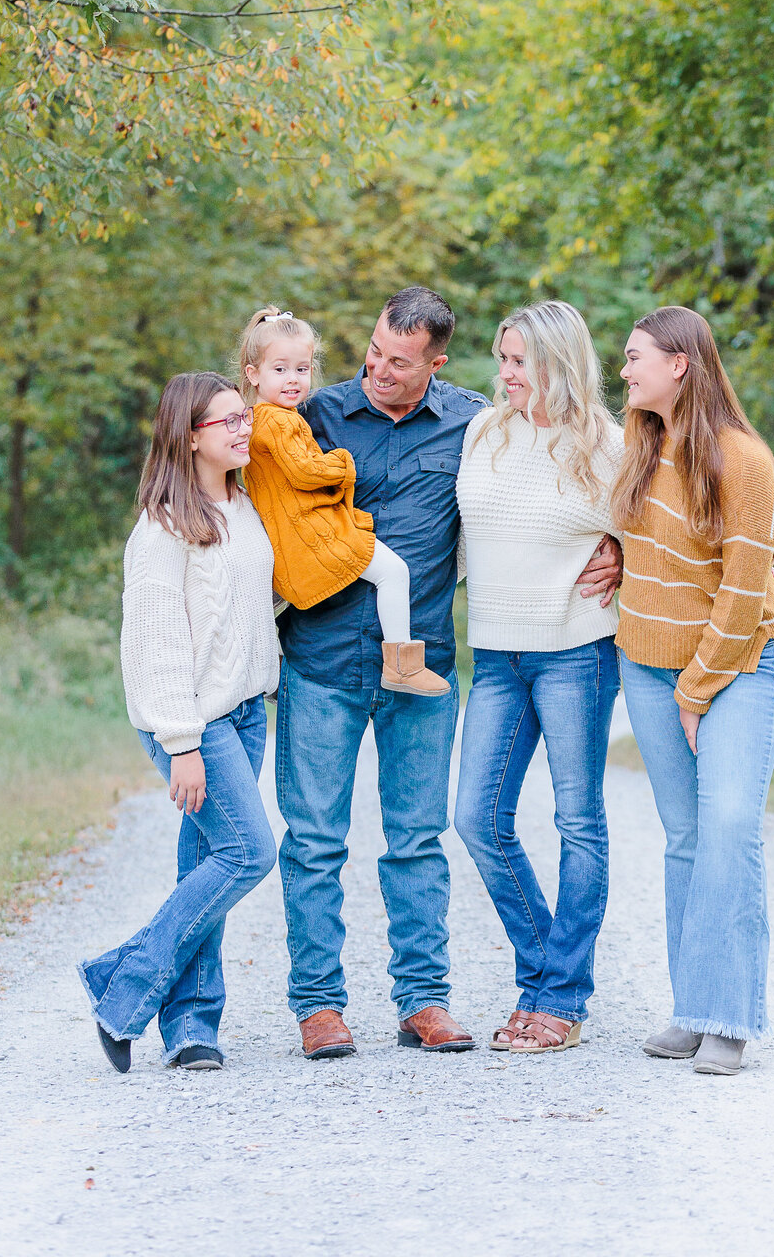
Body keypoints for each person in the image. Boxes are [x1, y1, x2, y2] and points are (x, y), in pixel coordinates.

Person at [274, 286, 623, 1061]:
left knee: (419, 839)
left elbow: (573, 491)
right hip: (323, 658)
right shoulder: (314, 418)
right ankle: (319, 1006)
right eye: (372, 351)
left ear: (436, 363)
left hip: (423, 665)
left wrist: (618, 548)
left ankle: (423, 1000)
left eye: (400, 362)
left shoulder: (474, 422)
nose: (378, 370)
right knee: (313, 841)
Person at [79, 373, 280, 1074]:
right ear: (189, 434)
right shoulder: (162, 529)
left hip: (247, 712)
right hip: (193, 720)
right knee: (250, 853)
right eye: (227, 421)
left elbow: (249, 608)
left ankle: (193, 1025)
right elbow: (155, 642)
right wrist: (182, 743)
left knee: (206, 861)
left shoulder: (246, 505)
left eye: (242, 418)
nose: (241, 429)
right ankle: (122, 980)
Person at [614, 306, 774, 1077]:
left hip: (740, 665)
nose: (623, 372)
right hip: (647, 664)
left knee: (728, 828)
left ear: (679, 364)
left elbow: (745, 590)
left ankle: (730, 1017)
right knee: (685, 836)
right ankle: (693, 1007)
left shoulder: (741, 459)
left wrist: (696, 690)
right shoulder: (640, 441)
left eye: (633, 358)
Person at [454, 301, 624, 1053]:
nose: (506, 373)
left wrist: (624, 554)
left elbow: (661, 533)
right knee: (477, 818)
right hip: (494, 653)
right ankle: (545, 976)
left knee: (577, 822)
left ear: (560, 362)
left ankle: (560, 998)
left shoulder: (611, 446)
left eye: (520, 360)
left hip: (576, 651)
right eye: (503, 358)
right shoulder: (484, 432)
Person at [239, 306, 446, 696]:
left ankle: (263, 664)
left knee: (265, 596)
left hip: (289, 532)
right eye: (279, 369)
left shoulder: (265, 418)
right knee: (393, 572)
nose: (293, 380)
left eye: (302, 369)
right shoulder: (279, 421)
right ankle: (402, 663)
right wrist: (343, 462)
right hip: (312, 530)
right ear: (253, 374)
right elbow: (305, 471)